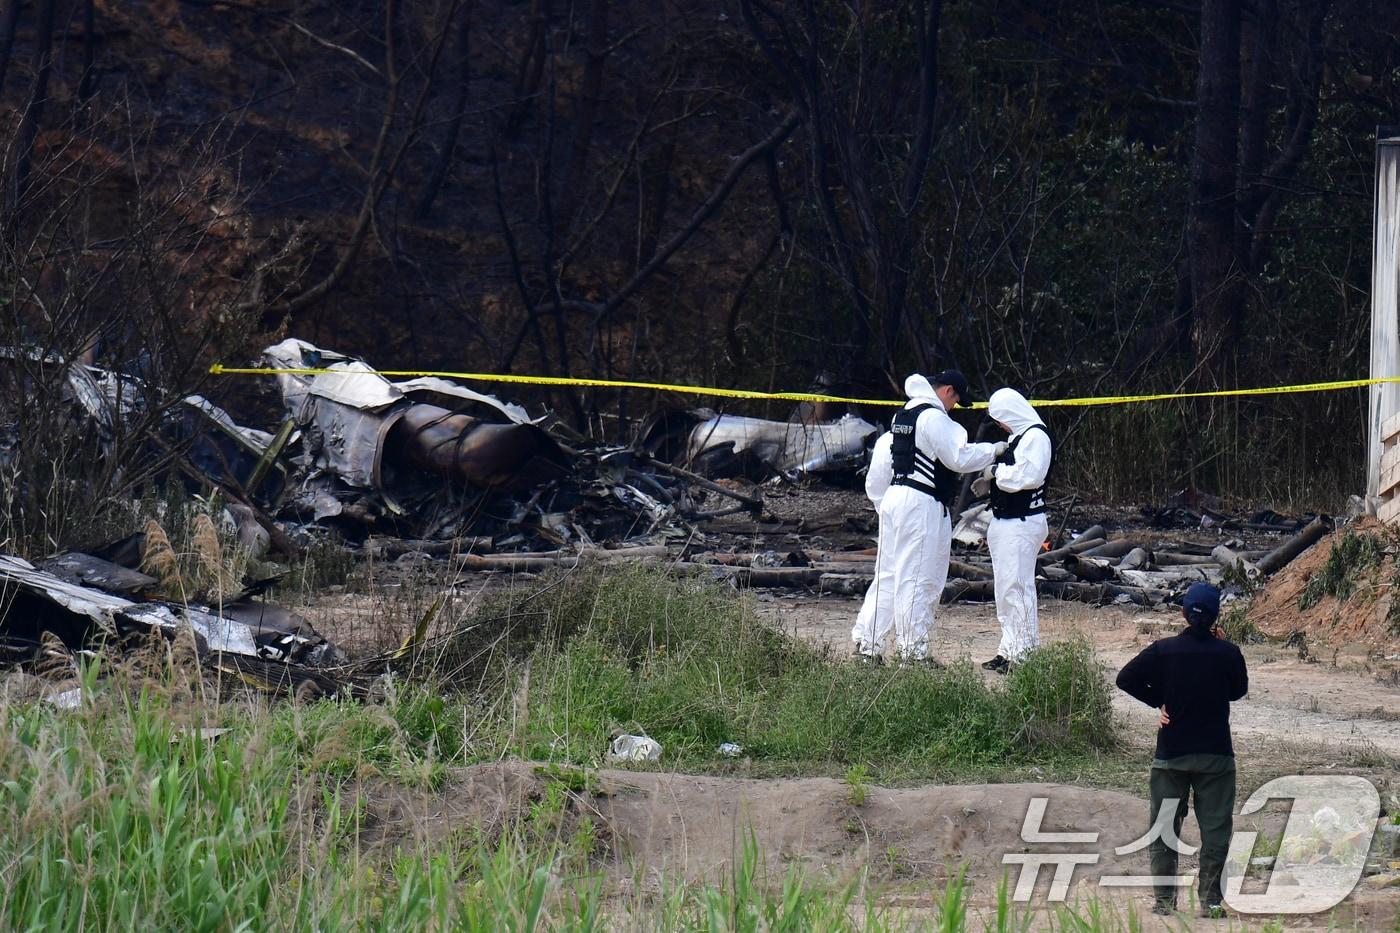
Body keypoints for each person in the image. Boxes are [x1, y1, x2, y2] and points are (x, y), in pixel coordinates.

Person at [850, 371, 1004, 663]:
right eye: (957, 400)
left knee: (888, 576)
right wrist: (992, 451)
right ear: (947, 391)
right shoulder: (934, 418)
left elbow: (879, 472)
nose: (955, 407)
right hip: (921, 502)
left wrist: (888, 508)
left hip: (895, 497)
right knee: (917, 578)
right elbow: (959, 457)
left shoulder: (901, 418)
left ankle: (868, 647)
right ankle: (913, 654)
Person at [1115, 583, 1248, 918]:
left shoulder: (1163, 650)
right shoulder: (1228, 653)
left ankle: (1163, 903)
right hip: (1216, 755)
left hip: (1171, 754)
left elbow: (1125, 678)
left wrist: (1158, 700)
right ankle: (1212, 902)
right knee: (1215, 831)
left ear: (1183, 614)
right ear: (1216, 617)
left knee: (1164, 829)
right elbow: (1238, 691)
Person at [973, 388, 1053, 673]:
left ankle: (1025, 654)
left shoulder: (1036, 437)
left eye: (1001, 420)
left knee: (1018, 589)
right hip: (1006, 522)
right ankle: (1008, 649)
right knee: (1006, 590)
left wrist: (997, 473)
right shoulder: (1018, 438)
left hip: (1022, 523)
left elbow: (1029, 476)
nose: (1001, 426)